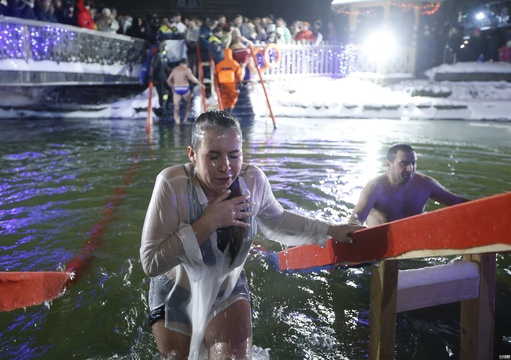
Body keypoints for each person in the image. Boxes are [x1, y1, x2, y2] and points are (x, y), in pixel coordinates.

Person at [140, 110, 364, 359]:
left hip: (227, 287)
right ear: (192, 154)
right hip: (175, 290)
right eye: (213, 156)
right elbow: (151, 263)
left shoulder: (252, 181)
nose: (226, 167)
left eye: (234, 155)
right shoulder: (173, 184)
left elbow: (277, 221)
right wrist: (210, 221)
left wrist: (329, 230)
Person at [349, 143, 469, 227]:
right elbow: (356, 219)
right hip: (382, 246)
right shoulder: (375, 187)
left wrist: (486, 207)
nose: (410, 168)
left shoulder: (425, 184)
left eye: (413, 163)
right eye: (404, 163)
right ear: (389, 164)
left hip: (414, 242)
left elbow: (456, 201)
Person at [166, 58, 203, 124]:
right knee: (188, 104)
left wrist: (172, 87)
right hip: (185, 88)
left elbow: (168, 80)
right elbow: (192, 78)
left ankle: (177, 122)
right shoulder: (187, 69)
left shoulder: (175, 70)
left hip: (176, 88)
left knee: (176, 106)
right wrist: (200, 83)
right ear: (186, 63)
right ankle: (185, 120)